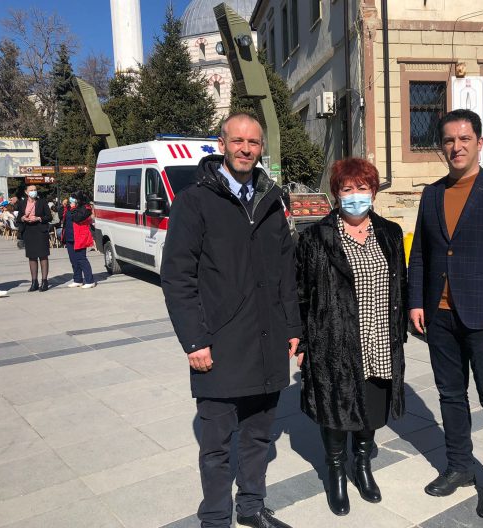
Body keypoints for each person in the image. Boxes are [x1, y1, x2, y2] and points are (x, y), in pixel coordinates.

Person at [161, 112, 301, 528]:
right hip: (219, 345)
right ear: (221, 144)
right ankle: (216, 517)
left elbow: (286, 271)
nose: (245, 148)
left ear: (261, 148)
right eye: (237, 141)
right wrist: (194, 340)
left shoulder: (272, 200)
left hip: (268, 340)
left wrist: (293, 328)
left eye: (253, 142)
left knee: (259, 436)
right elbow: (177, 277)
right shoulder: (194, 201)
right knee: (217, 446)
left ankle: (252, 507)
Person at [407, 109, 483, 520]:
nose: (456, 147)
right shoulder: (432, 194)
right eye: (448, 140)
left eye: (463, 139)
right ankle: (459, 465)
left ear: (480, 142)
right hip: (440, 316)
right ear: (441, 146)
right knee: (450, 395)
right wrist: (416, 301)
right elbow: (421, 255)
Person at [295, 158, 407, 516]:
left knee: (371, 408)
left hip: (380, 339)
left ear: (373, 192)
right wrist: (301, 340)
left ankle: (362, 465)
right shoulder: (314, 238)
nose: (355, 195)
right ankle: (337, 471)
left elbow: (400, 285)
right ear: (336, 193)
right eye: (347, 189)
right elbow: (301, 293)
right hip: (334, 341)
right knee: (334, 409)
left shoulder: (390, 233)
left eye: (362, 188)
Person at [16, 185, 52, 292]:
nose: (33, 192)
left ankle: (44, 281)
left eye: (35, 190)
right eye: (31, 190)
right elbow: (18, 218)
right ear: (26, 192)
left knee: (43, 256)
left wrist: (39, 218)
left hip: (40, 231)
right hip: (29, 231)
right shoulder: (22, 203)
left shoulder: (42, 202)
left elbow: (49, 216)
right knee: (32, 257)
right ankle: (34, 282)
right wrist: (23, 218)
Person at [61, 192, 96, 288]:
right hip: (69, 236)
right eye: (71, 197)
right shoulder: (69, 207)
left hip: (80, 236)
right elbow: (62, 217)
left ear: (79, 199)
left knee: (81, 259)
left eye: (73, 198)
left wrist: (73, 208)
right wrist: (64, 206)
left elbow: (77, 218)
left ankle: (90, 280)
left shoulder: (86, 208)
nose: (71, 199)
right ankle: (77, 279)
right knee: (73, 260)